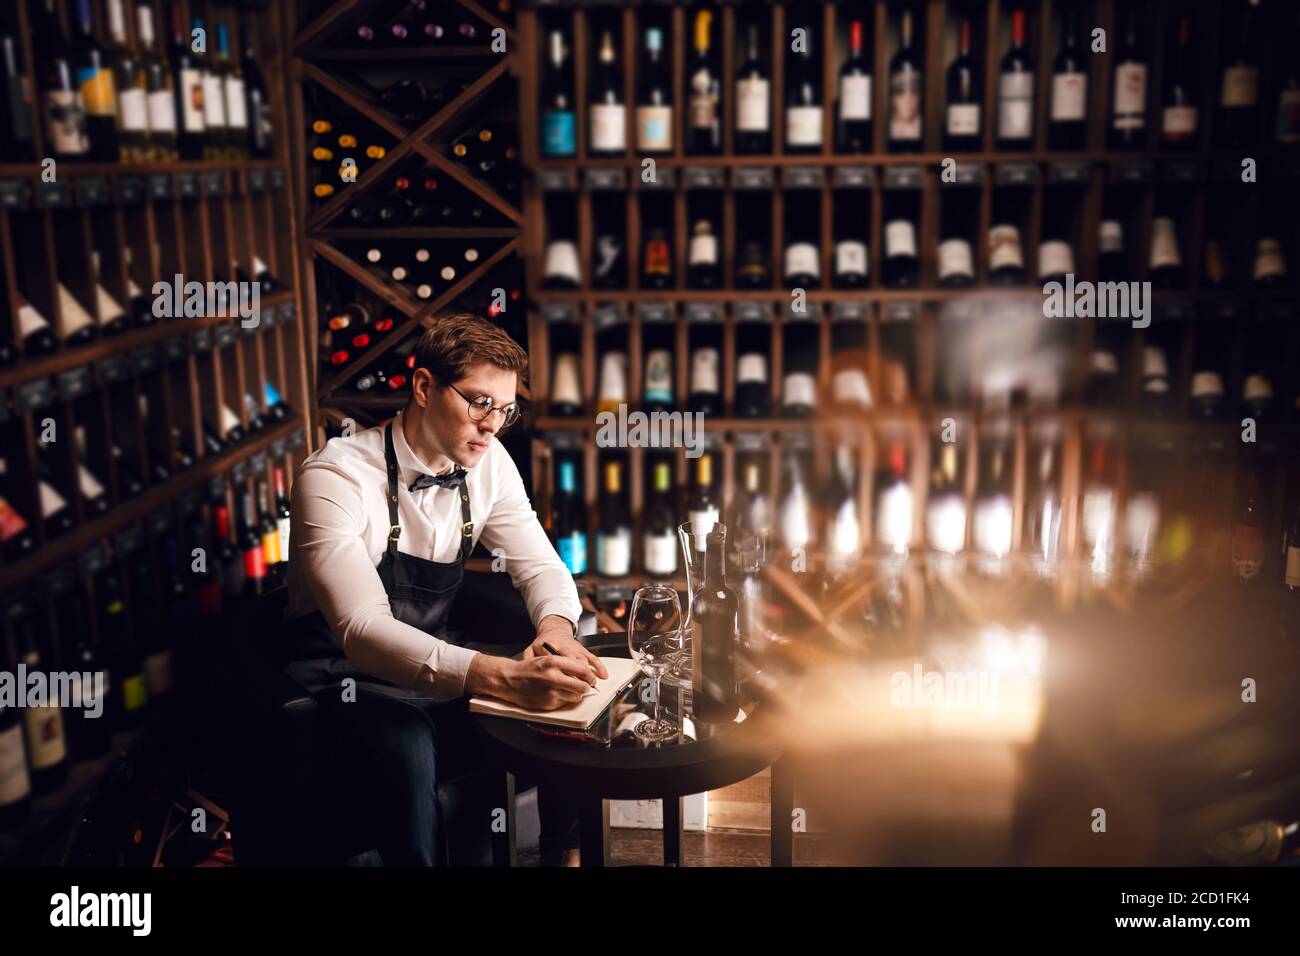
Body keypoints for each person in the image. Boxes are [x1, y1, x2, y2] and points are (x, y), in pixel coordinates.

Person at [281, 312, 607, 865]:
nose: (492, 424)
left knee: (562, 687)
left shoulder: (489, 463)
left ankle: (564, 854)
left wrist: (554, 633)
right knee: (407, 743)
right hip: (342, 676)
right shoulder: (334, 477)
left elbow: (542, 568)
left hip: (435, 659)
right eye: (479, 401)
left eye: (505, 410)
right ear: (425, 387)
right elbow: (361, 629)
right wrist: (498, 674)